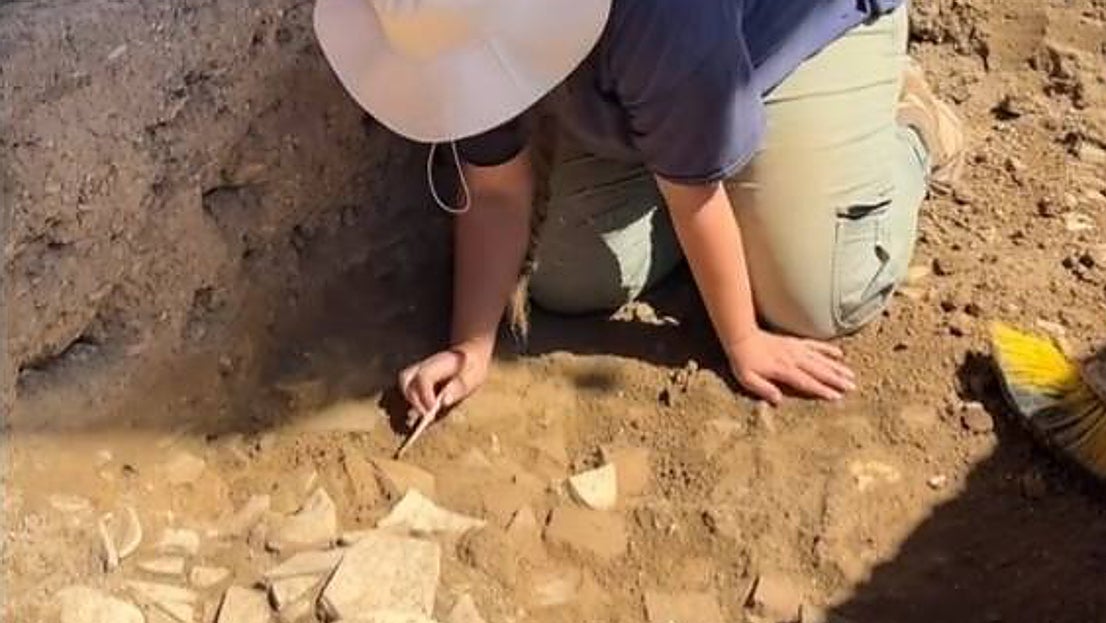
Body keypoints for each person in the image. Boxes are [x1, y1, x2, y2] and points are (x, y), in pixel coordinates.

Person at [313, 0, 964, 416]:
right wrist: (470, 347)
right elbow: (495, 191)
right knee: (570, 284)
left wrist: (743, 342)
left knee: (816, 298)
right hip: (652, 81)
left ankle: (908, 124)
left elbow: (696, 197)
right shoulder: (453, 19)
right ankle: (700, 137)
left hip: (793, 32)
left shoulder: (660, 16)